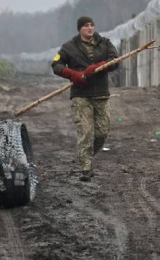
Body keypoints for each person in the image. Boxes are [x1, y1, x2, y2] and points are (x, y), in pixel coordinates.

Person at [51, 16, 119, 182]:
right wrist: (72, 74)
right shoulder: (69, 47)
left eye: (92, 25)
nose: (90, 28)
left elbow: (115, 60)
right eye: (86, 26)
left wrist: (99, 66)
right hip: (81, 95)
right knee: (86, 131)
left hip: (101, 93)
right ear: (80, 29)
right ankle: (86, 168)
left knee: (102, 132)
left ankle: (86, 155)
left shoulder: (104, 43)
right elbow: (56, 65)